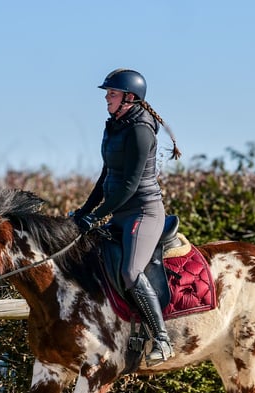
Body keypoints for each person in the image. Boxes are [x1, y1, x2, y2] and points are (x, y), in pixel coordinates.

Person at [72, 68, 181, 367]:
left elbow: (130, 185)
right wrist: (84, 211)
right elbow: (106, 176)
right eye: (107, 93)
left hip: (143, 212)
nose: (106, 97)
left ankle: (161, 338)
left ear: (129, 98)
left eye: (112, 93)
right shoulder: (115, 125)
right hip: (119, 211)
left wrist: (97, 217)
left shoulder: (141, 130)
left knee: (131, 272)